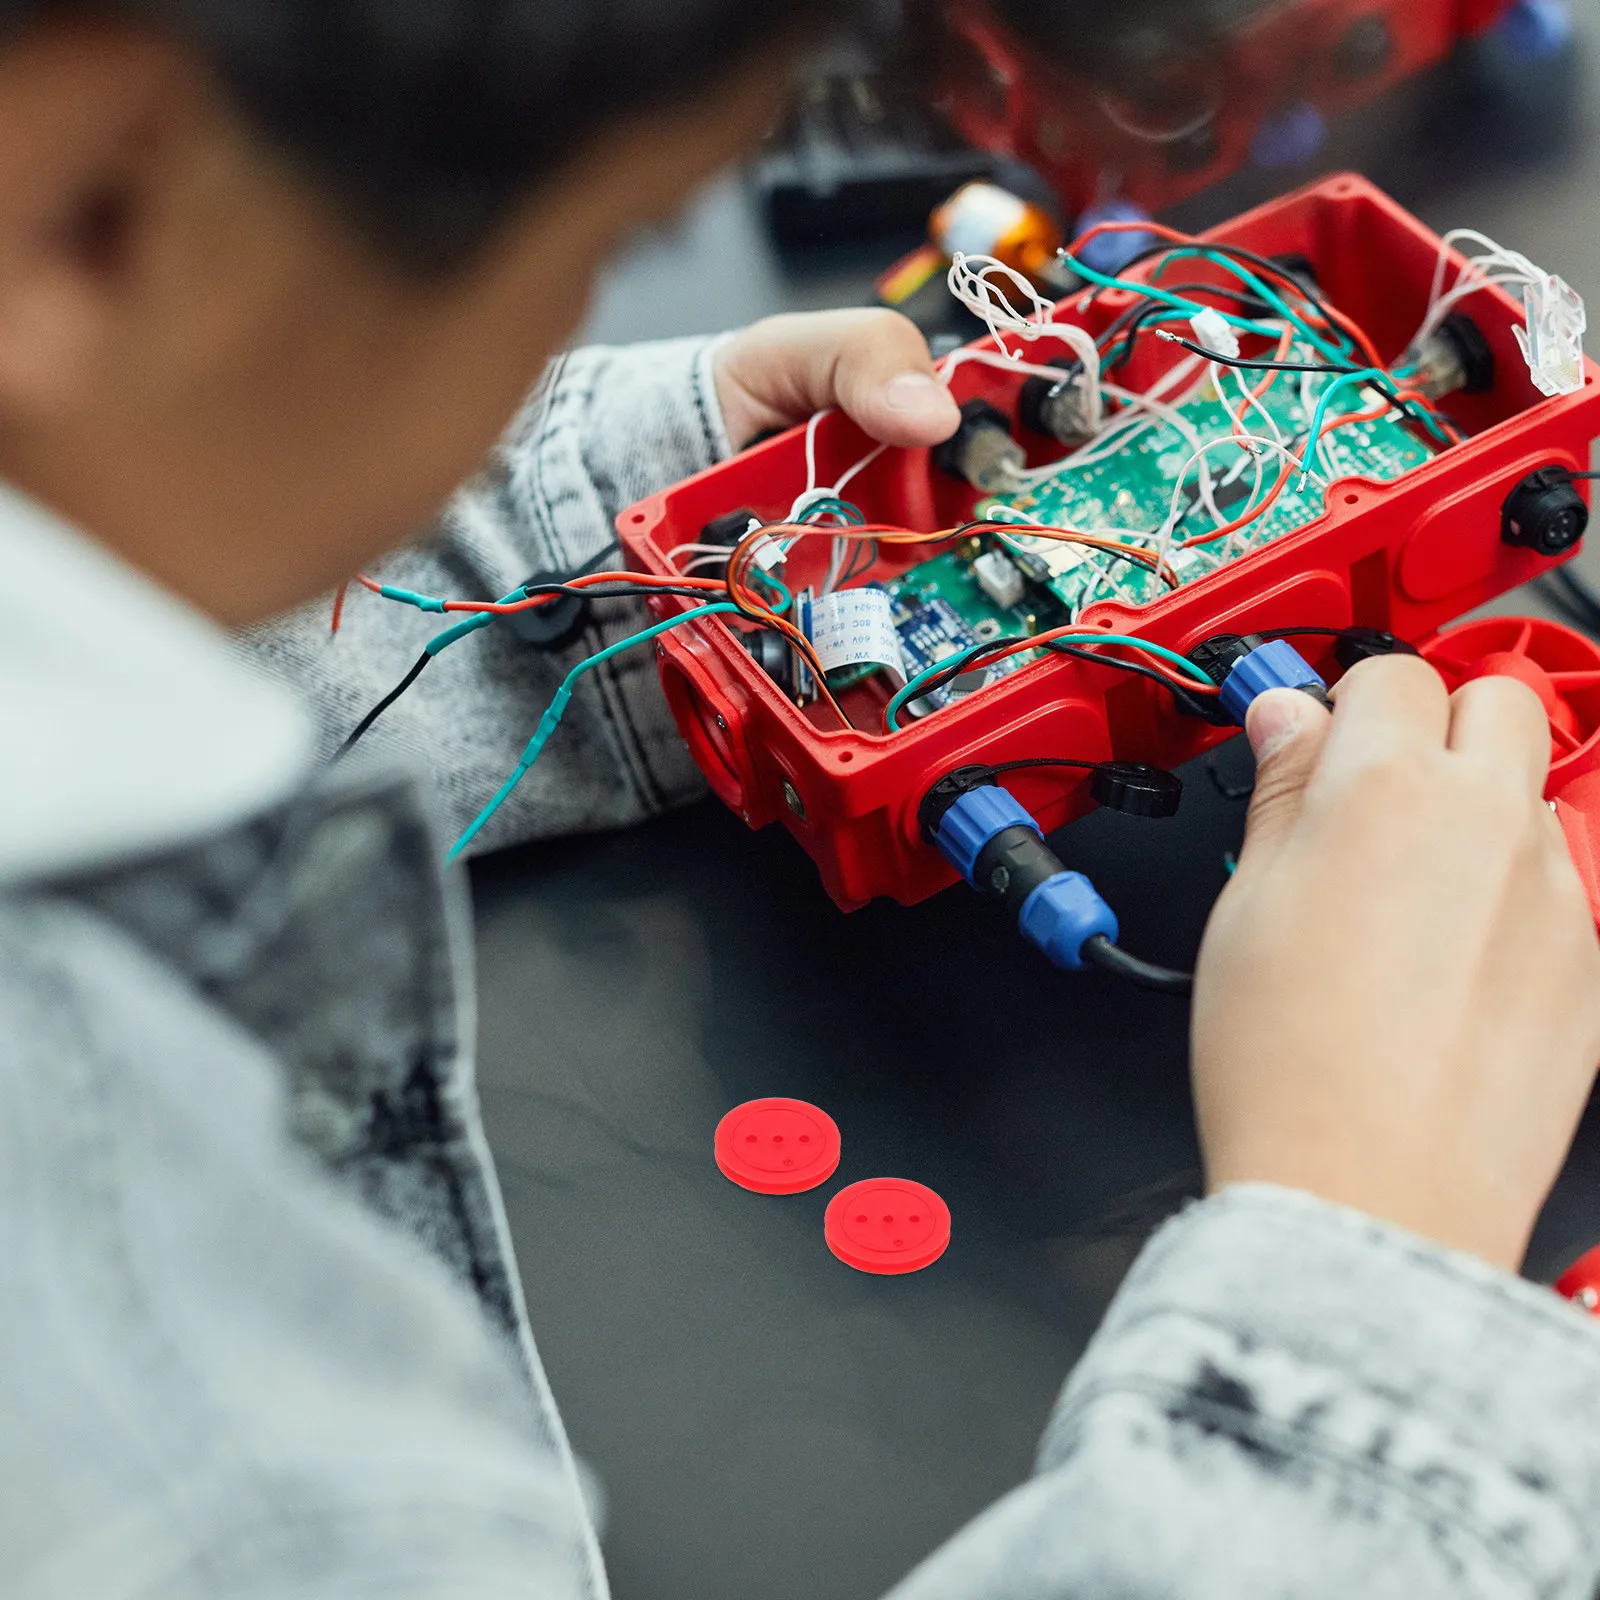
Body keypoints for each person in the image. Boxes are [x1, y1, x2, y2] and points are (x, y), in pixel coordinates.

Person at [3, 1, 1600, 1596]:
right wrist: (1357, 1286)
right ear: (97, 200)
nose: (564, 310)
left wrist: (651, 533)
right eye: (601, 239)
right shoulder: (197, 1493)